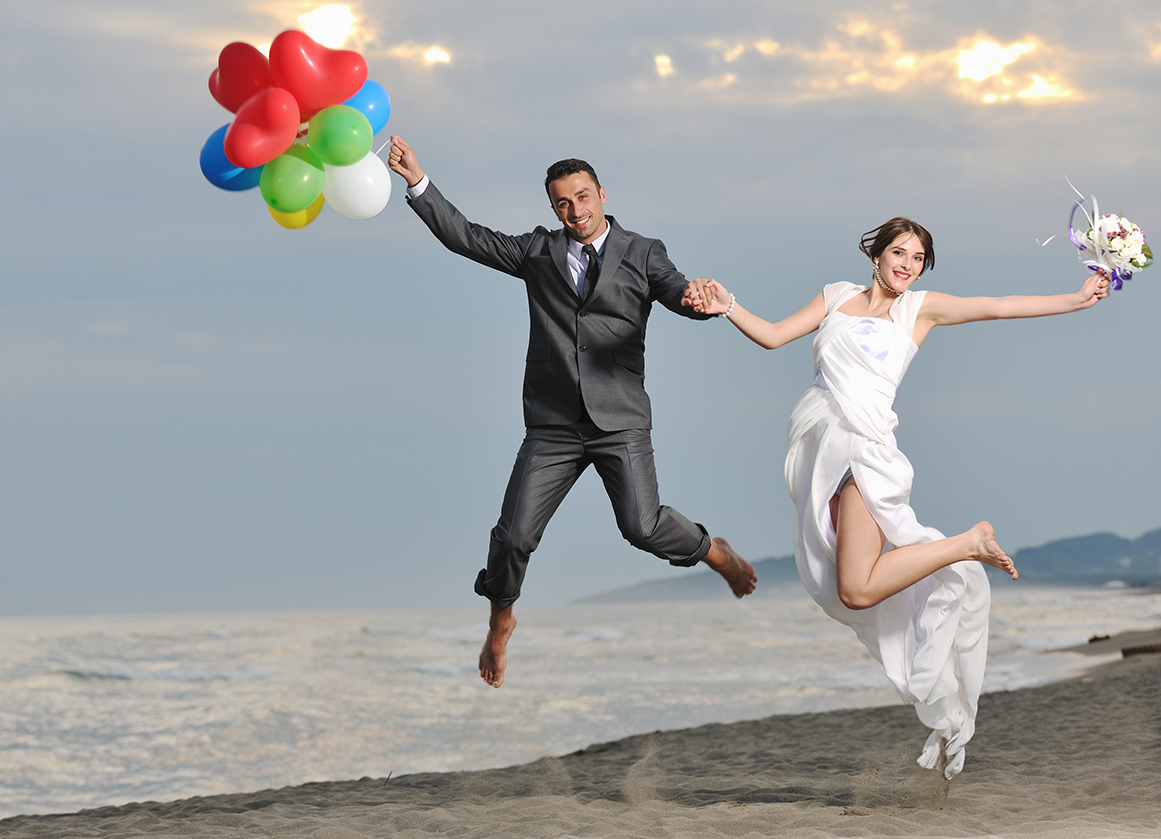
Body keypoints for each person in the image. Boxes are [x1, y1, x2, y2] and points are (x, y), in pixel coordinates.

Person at [682, 218, 1110, 777]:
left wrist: (1075, 300)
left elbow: (999, 305)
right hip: (819, 454)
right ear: (876, 255)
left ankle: (967, 543)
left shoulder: (919, 309)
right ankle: (961, 548)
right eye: (898, 253)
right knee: (845, 584)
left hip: (866, 454)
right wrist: (726, 305)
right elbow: (772, 335)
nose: (907, 264)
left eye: (917, 257)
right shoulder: (836, 296)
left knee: (857, 590)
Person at [387, 135, 759, 688]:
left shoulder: (642, 252)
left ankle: (713, 551)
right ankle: (501, 616)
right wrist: (417, 179)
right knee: (512, 537)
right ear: (552, 208)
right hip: (554, 423)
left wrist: (704, 301)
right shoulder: (537, 253)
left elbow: (681, 292)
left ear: (602, 193)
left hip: (621, 419)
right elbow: (464, 237)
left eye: (584, 196)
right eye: (563, 202)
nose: (576, 210)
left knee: (643, 526)